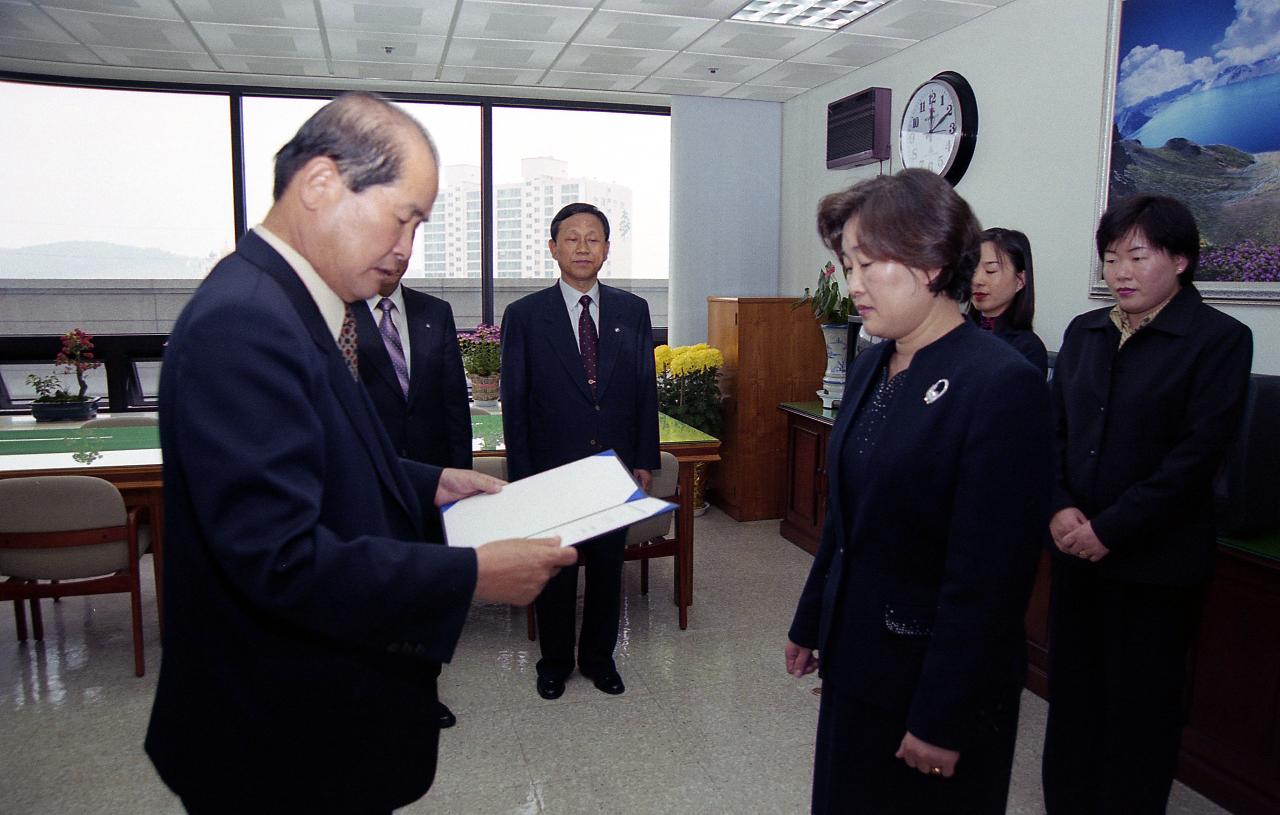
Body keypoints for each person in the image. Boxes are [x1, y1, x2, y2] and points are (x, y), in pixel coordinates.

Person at [144, 92, 576, 814]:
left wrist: (426, 480)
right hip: (275, 739)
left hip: (306, 719)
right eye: (401, 216)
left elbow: (314, 459)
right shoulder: (248, 321)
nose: (408, 246)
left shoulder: (286, 302)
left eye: (420, 225)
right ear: (320, 183)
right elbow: (279, 560)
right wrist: (469, 573)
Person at [785, 169, 1053, 814]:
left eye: (869, 264)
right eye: (847, 264)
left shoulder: (1000, 384)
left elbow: (987, 580)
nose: (852, 286)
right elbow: (849, 518)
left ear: (932, 264)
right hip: (859, 659)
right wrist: (812, 620)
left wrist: (942, 716)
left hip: (935, 681)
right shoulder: (875, 359)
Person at [1042, 195, 1252, 814]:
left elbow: (1194, 459)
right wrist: (1057, 508)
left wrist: (1111, 528)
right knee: (1074, 698)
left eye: (1138, 256)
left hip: (1157, 565)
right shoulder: (1085, 332)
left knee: (1141, 712)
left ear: (1181, 260)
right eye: (1111, 258)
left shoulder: (1218, 341)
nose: (1120, 272)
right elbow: (1051, 431)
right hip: (1075, 554)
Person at [500, 202, 660, 701]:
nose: (583, 247)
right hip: (551, 468)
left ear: (607, 250)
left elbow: (643, 390)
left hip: (611, 468)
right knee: (557, 571)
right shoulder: (524, 316)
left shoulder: (633, 310)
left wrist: (643, 459)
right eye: (572, 238)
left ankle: (599, 658)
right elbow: (516, 402)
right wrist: (523, 475)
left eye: (594, 238)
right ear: (553, 249)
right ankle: (554, 663)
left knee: (608, 571)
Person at [354, 252, 471, 730]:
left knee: (425, 593)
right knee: (373, 593)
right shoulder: (336, 314)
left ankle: (423, 691)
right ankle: (373, 693)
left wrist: (458, 478)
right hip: (369, 482)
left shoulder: (433, 312)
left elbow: (452, 404)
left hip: (432, 483)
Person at [969, 227, 1049, 376]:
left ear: (1020, 280)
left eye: (991, 271)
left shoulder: (1028, 348)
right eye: (972, 270)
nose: (977, 280)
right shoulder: (956, 333)